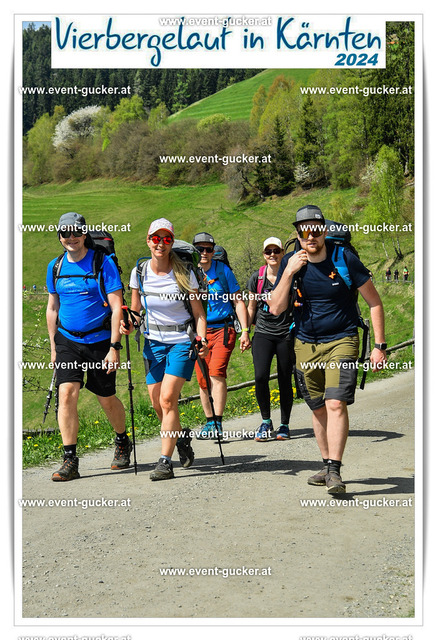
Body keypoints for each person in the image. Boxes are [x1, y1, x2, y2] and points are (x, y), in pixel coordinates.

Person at [269, 205, 387, 494]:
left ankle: (334, 469)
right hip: (305, 343)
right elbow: (276, 308)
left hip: (342, 339)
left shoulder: (343, 258)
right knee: (318, 406)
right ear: (297, 234)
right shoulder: (291, 262)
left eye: (316, 230)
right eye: (304, 231)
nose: (311, 236)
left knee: (335, 403)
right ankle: (326, 465)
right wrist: (289, 272)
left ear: (324, 231)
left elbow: (374, 302)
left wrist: (379, 346)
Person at [46, 212, 132, 481]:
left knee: (105, 398)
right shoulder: (55, 267)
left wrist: (114, 347)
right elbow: (52, 308)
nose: (70, 238)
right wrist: (54, 346)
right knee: (66, 394)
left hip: (100, 341)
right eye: (65, 233)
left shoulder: (102, 262)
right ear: (59, 236)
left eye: (76, 232)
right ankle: (69, 459)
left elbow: (117, 307)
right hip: (67, 340)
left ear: (84, 234)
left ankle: (122, 440)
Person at [121, 218, 208, 481]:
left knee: (168, 399)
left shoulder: (184, 273)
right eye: (156, 238)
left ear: (172, 242)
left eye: (166, 239)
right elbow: (136, 311)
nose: (161, 243)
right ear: (148, 241)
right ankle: (180, 438)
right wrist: (129, 323)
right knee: (157, 403)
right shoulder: (139, 272)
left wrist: (201, 339)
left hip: (181, 340)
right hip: (153, 343)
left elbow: (198, 313)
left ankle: (164, 461)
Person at [191, 232, 251, 438]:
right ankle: (209, 421)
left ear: (213, 251)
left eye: (209, 249)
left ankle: (217, 422)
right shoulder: (190, 272)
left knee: (216, 372)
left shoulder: (223, 271)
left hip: (223, 329)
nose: (204, 253)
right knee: (203, 379)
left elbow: (238, 301)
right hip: (199, 332)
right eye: (200, 249)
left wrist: (245, 330)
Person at [246, 237, 294, 441]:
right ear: (264, 255)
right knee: (260, 377)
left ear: (283, 253)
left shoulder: (291, 275)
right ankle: (266, 421)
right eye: (268, 251)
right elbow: (251, 307)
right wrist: (244, 332)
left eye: (276, 251)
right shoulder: (257, 278)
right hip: (263, 332)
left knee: (285, 378)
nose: (272, 255)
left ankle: (284, 424)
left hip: (286, 333)